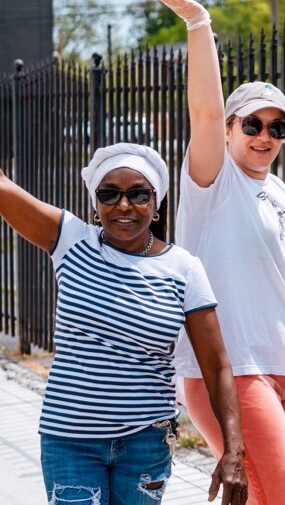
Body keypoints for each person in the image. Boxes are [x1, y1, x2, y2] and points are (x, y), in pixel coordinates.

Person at [145, 0, 285, 505]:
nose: (265, 135)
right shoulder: (214, 181)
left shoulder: (277, 190)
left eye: (278, 127)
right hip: (231, 372)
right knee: (283, 497)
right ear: (229, 130)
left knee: (271, 496)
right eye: (251, 123)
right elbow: (203, 112)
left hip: (284, 367)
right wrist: (199, 24)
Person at [0, 143, 247, 505]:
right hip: (71, 440)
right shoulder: (71, 241)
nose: (124, 205)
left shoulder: (184, 269)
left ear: (157, 202)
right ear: (96, 205)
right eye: (109, 194)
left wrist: (233, 450)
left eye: (138, 194)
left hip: (145, 443)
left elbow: (217, 365)